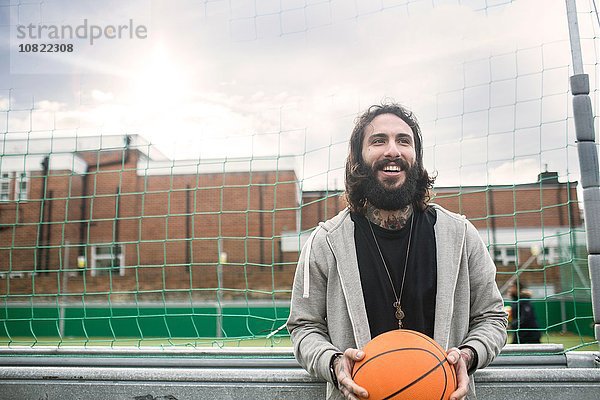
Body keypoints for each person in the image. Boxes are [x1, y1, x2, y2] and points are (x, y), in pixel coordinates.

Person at [287, 102, 508, 400]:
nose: (393, 150)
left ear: (416, 157)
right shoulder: (325, 242)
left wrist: (467, 356)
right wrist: (334, 363)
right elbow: (304, 327)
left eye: (404, 140)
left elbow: (492, 318)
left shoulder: (460, 234)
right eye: (379, 141)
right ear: (358, 158)